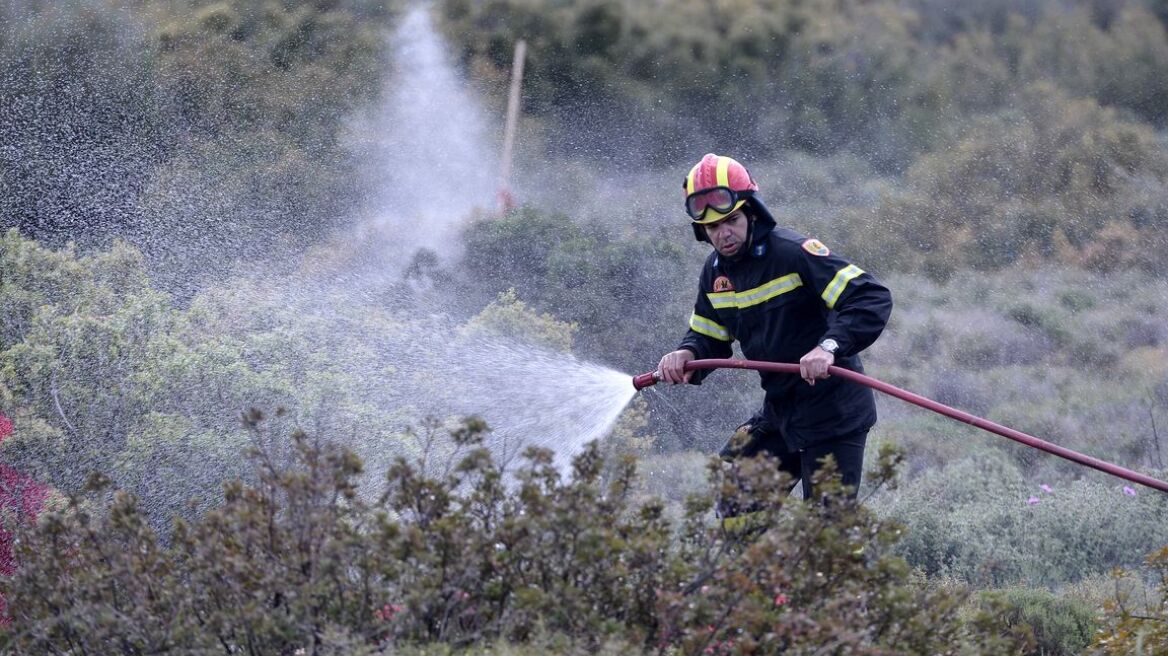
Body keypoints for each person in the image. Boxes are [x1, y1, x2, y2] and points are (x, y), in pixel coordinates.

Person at [657, 153, 892, 510]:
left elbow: (870, 297)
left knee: (828, 537)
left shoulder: (794, 254)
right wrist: (686, 354)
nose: (724, 234)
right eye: (713, 227)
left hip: (834, 414)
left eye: (732, 220)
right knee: (736, 509)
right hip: (781, 412)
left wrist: (827, 347)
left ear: (752, 212)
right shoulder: (715, 274)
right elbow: (709, 337)